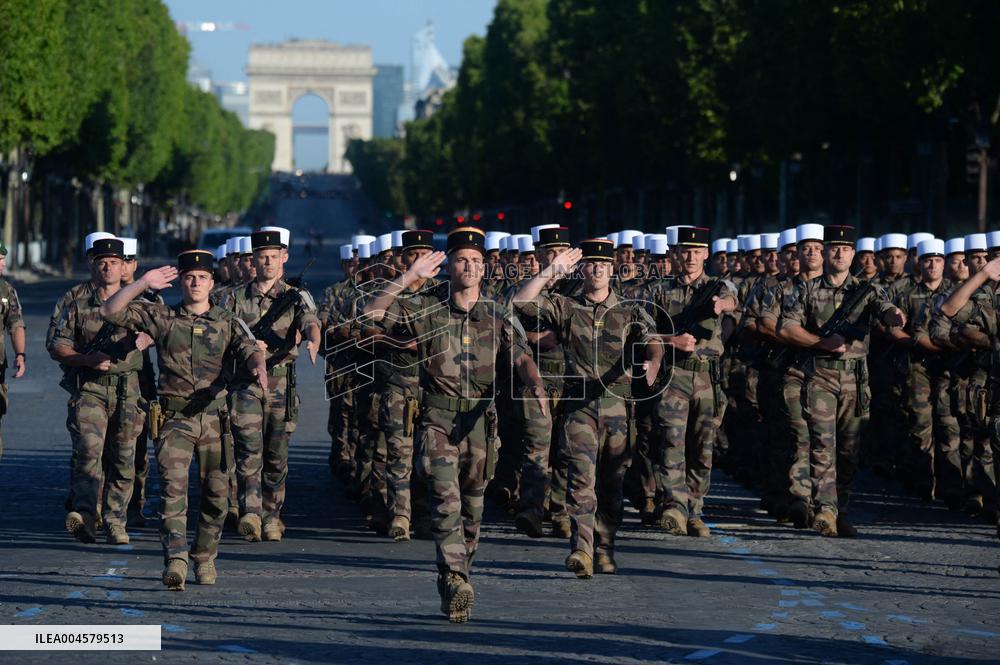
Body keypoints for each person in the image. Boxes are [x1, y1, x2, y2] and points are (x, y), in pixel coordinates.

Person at [362, 226, 546, 623]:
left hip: (481, 423)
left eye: (477, 261)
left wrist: (534, 384)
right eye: (462, 259)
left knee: (473, 513)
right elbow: (371, 314)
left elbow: (521, 356)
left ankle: (454, 577)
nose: (471, 267)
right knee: (446, 505)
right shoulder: (427, 306)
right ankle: (458, 578)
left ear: (485, 268)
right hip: (437, 422)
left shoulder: (497, 313)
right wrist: (409, 277)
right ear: (449, 265)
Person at [99, 250, 266, 590]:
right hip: (175, 420)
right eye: (189, 276)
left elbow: (251, 348)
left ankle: (204, 556)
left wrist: (257, 365)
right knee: (173, 492)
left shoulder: (227, 320)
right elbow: (109, 310)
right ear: (181, 282)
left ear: (212, 282)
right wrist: (143, 282)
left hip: (214, 419)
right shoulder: (163, 317)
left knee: (217, 495)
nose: (195, 282)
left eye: (202, 277)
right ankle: (175, 558)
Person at [514, 239, 662, 577]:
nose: (596, 269)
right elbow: (521, 301)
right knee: (581, 479)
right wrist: (552, 270)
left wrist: (653, 362)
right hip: (579, 407)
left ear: (611, 270)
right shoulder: (567, 307)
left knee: (612, 484)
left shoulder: (630, 310)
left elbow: (652, 340)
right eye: (590, 264)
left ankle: (605, 547)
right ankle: (581, 549)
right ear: (582, 269)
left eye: (602, 265)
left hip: (617, 409)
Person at [777, 225, 905, 537]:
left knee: (849, 449)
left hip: (855, 379)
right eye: (834, 248)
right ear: (824, 252)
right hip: (819, 375)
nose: (839, 253)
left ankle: (840, 508)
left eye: (846, 249)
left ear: (853, 254)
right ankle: (825, 510)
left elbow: (885, 309)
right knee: (823, 445)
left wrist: (894, 316)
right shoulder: (806, 290)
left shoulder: (866, 290)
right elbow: (786, 328)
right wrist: (821, 342)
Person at [225, 227, 320, 543]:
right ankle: (250, 511)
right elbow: (223, 333)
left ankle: (271, 515)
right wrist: (249, 349)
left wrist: (312, 339)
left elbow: (310, 320)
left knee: (276, 457)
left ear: (284, 258)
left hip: (280, 383)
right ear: (253, 260)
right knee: (248, 450)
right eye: (261, 257)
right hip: (246, 383)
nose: (267, 262)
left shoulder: (295, 296)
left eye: (273, 257)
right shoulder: (235, 298)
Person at [52, 238, 149, 545]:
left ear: (125, 267)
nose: (108, 268)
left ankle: (116, 519)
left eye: (114, 262)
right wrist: (85, 360)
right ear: (92, 265)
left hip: (128, 389)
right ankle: (85, 516)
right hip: (90, 389)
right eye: (101, 262)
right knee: (88, 453)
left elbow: (172, 330)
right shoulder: (76, 301)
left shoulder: (140, 302)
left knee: (123, 458)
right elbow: (57, 345)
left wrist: (150, 338)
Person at [0, 240, 26, 463]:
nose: (1, 264)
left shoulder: (6, 290)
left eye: (2, 259)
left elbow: (15, 324)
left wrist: (20, 355)